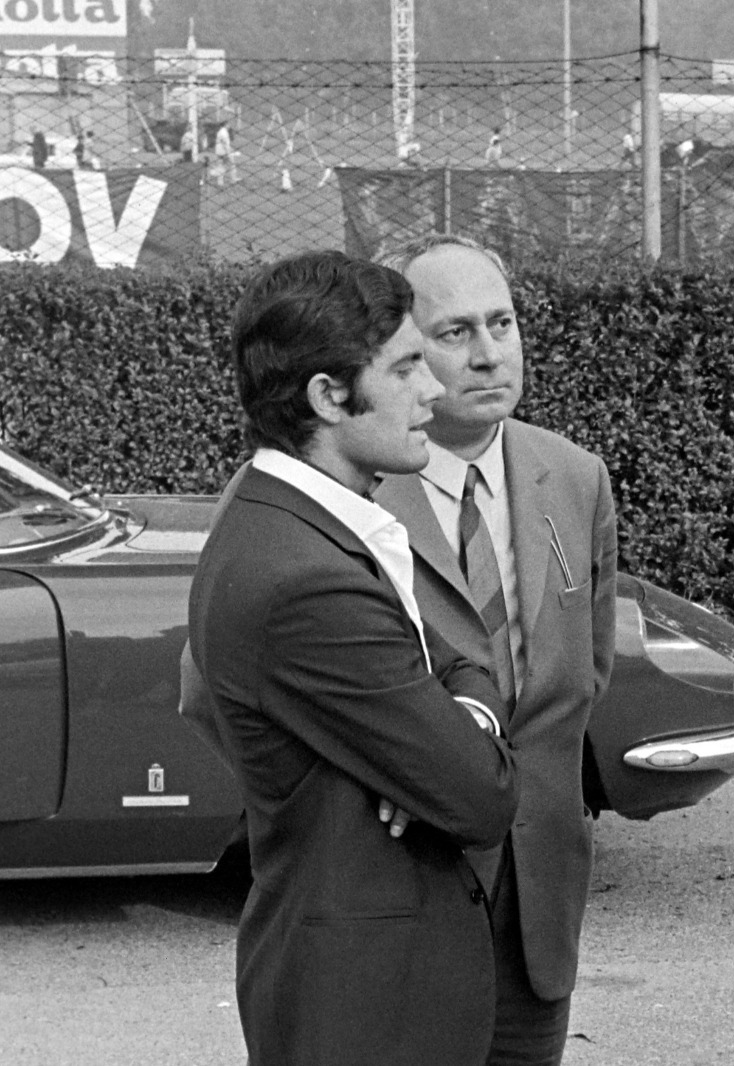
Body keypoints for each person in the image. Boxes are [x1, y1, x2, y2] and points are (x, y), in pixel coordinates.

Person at [186, 251, 518, 1066]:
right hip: (367, 1012)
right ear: (328, 398)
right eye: (406, 367)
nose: (433, 390)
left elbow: (470, 665)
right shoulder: (304, 577)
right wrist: (445, 753)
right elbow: (480, 797)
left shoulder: (314, 526)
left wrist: (441, 734)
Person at [373, 234, 618, 1066]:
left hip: (536, 912)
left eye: (502, 323)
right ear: (401, 352)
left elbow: (585, 673)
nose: (488, 355)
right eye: (455, 333)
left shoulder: (575, 477)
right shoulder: (352, 488)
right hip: (402, 895)